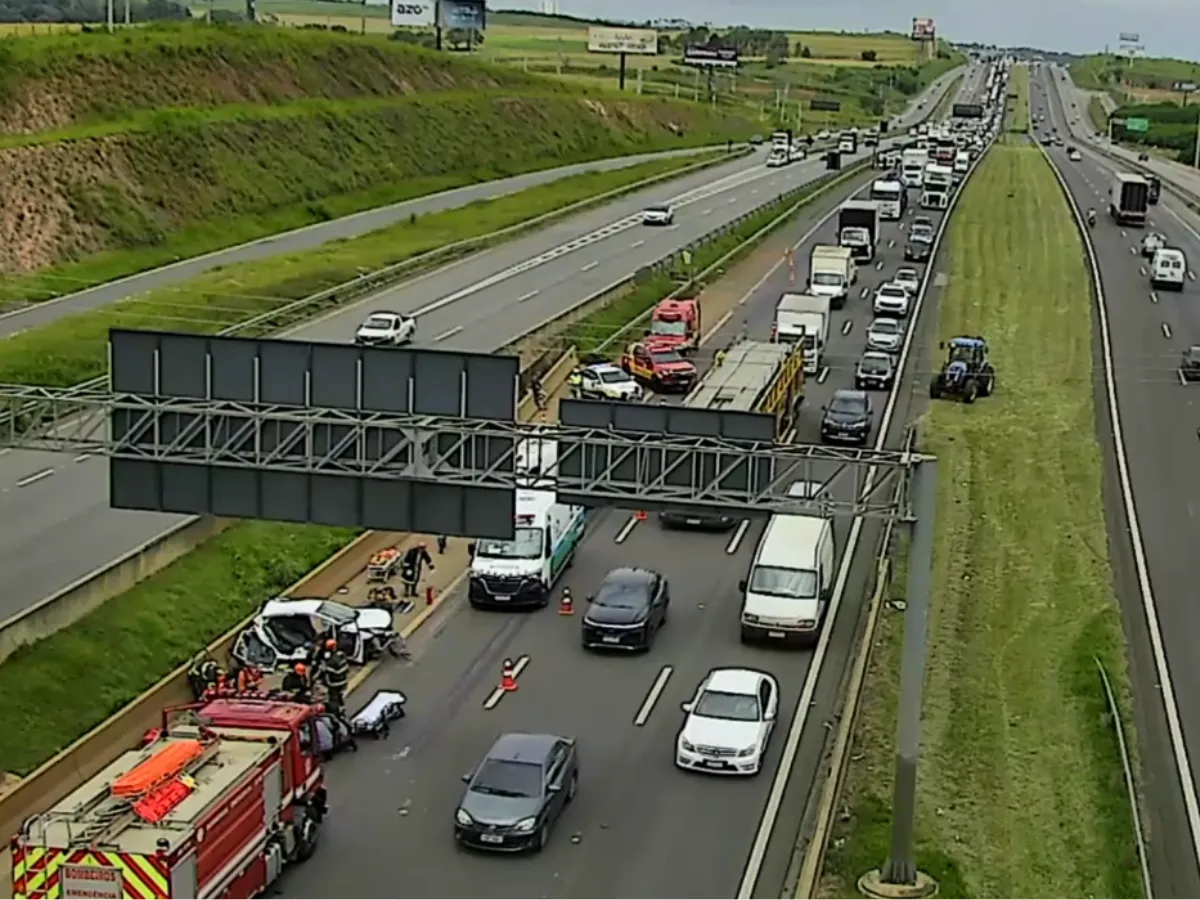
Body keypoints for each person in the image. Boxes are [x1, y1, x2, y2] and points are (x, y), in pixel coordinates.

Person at [321, 638, 351, 715]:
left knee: (334, 697)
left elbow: (329, 671)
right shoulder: (342, 655)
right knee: (340, 695)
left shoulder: (331, 661)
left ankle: (336, 712)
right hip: (343, 681)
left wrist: (324, 668)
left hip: (334, 683)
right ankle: (342, 707)